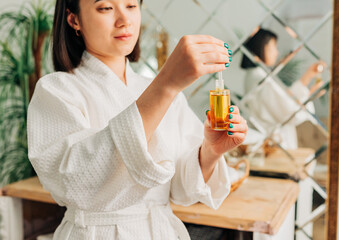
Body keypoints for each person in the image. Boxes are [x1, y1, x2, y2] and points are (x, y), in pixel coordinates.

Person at [26, 0, 248, 239]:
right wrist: (165, 85)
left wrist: (210, 152)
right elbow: (76, 183)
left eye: (131, 5)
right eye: (106, 8)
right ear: (74, 20)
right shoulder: (56, 90)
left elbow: (182, 190)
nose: (124, 20)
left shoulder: (159, 91)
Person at [240, 28, 324, 149]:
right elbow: (290, 113)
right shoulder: (261, 80)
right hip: (274, 146)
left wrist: (308, 82)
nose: (277, 53)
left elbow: (284, 101)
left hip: (271, 143)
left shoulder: (255, 76)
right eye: (273, 47)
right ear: (261, 47)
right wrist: (308, 90)